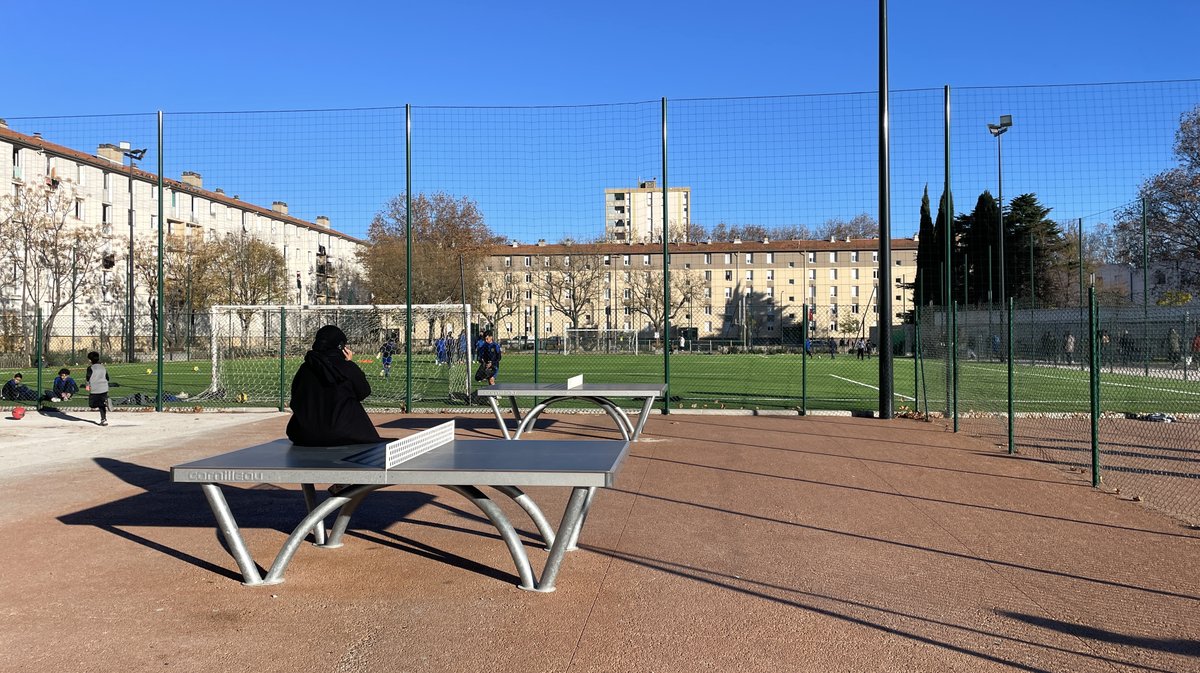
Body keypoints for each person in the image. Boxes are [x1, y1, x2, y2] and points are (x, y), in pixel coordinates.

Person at [287, 325, 382, 447]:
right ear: (341, 347)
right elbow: (363, 392)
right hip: (345, 433)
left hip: (305, 435)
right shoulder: (347, 368)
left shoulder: (305, 368)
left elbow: (296, 399)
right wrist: (349, 364)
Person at [85, 352, 110, 426]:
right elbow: (107, 377)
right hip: (104, 388)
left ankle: (103, 403)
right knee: (101, 404)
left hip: (95, 389)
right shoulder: (103, 367)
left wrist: (87, 385)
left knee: (92, 404)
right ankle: (103, 419)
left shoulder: (90, 368)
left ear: (90, 360)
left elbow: (88, 377)